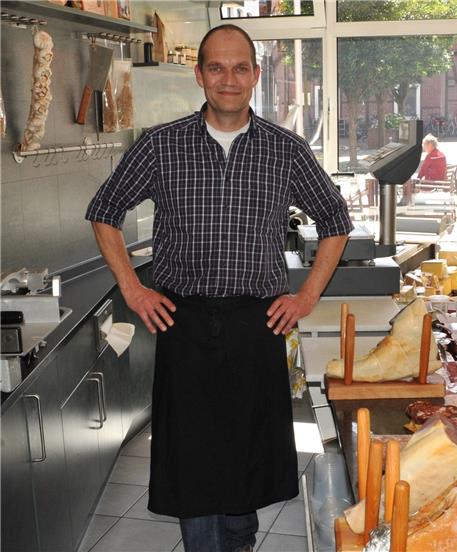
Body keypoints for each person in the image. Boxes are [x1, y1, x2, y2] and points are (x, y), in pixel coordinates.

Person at [85, 24, 351, 552]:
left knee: (247, 450)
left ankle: (239, 540)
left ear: (255, 74)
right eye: (216, 67)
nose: (228, 79)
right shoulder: (161, 145)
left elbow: (334, 220)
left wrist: (307, 296)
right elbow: (104, 212)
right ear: (200, 74)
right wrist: (134, 289)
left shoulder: (285, 150)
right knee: (193, 456)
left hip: (257, 322)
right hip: (183, 322)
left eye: (239, 68)